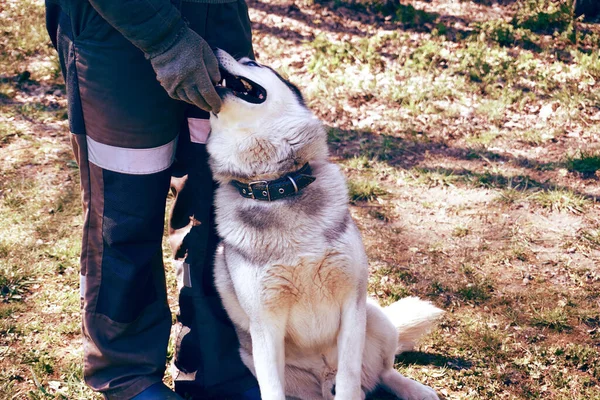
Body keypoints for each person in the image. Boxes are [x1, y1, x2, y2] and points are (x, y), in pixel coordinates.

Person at [44, 0, 260, 398]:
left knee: (220, 209)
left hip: (220, 27)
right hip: (117, 35)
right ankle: (128, 374)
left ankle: (219, 363)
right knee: (125, 216)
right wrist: (167, 40)